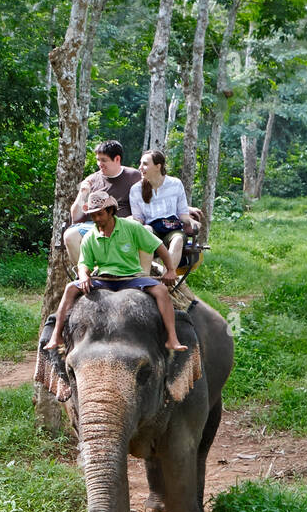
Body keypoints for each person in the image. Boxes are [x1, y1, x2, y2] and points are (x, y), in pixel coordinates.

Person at [45, 185, 188, 358]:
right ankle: (56, 336)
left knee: (161, 290)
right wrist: (83, 276)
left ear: (110, 211)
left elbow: (159, 246)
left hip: (132, 277)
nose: (97, 219)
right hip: (103, 278)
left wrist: (171, 270)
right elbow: (84, 263)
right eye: (93, 215)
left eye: (100, 214)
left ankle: (172, 338)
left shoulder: (131, 227)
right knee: (69, 289)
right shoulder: (91, 236)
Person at [62, 140, 140, 269]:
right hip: (94, 226)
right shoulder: (92, 179)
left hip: (123, 226)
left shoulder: (134, 176)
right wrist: (82, 193)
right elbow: (75, 217)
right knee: (70, 235)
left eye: (104, 160)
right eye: (98, 160)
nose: (99, 164)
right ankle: (86, 275)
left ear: (117, 159)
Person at [129, 148, 202, 277]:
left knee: (178, 239)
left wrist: (191, 221)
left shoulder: (175, 184)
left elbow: (182, 214)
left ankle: (168, 276)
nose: (140, 168)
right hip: (152, 229)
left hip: (172, 228)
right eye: (140, 164)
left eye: (145, 164)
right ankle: (143, 277)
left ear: (158, 166)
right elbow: (138, 220)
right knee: (145, 230)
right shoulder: (136, 190)